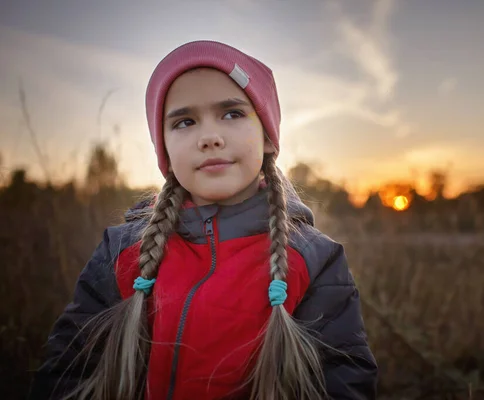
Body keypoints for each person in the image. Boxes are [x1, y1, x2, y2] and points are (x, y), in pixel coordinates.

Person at [28, 40, 378, 400]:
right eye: (184, 121)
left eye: (232, 114)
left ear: (268, 137)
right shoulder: (120, 252)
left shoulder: (316, 260)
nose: (210, 137)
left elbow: (342, 383)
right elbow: (66, 372)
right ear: (163, 147)